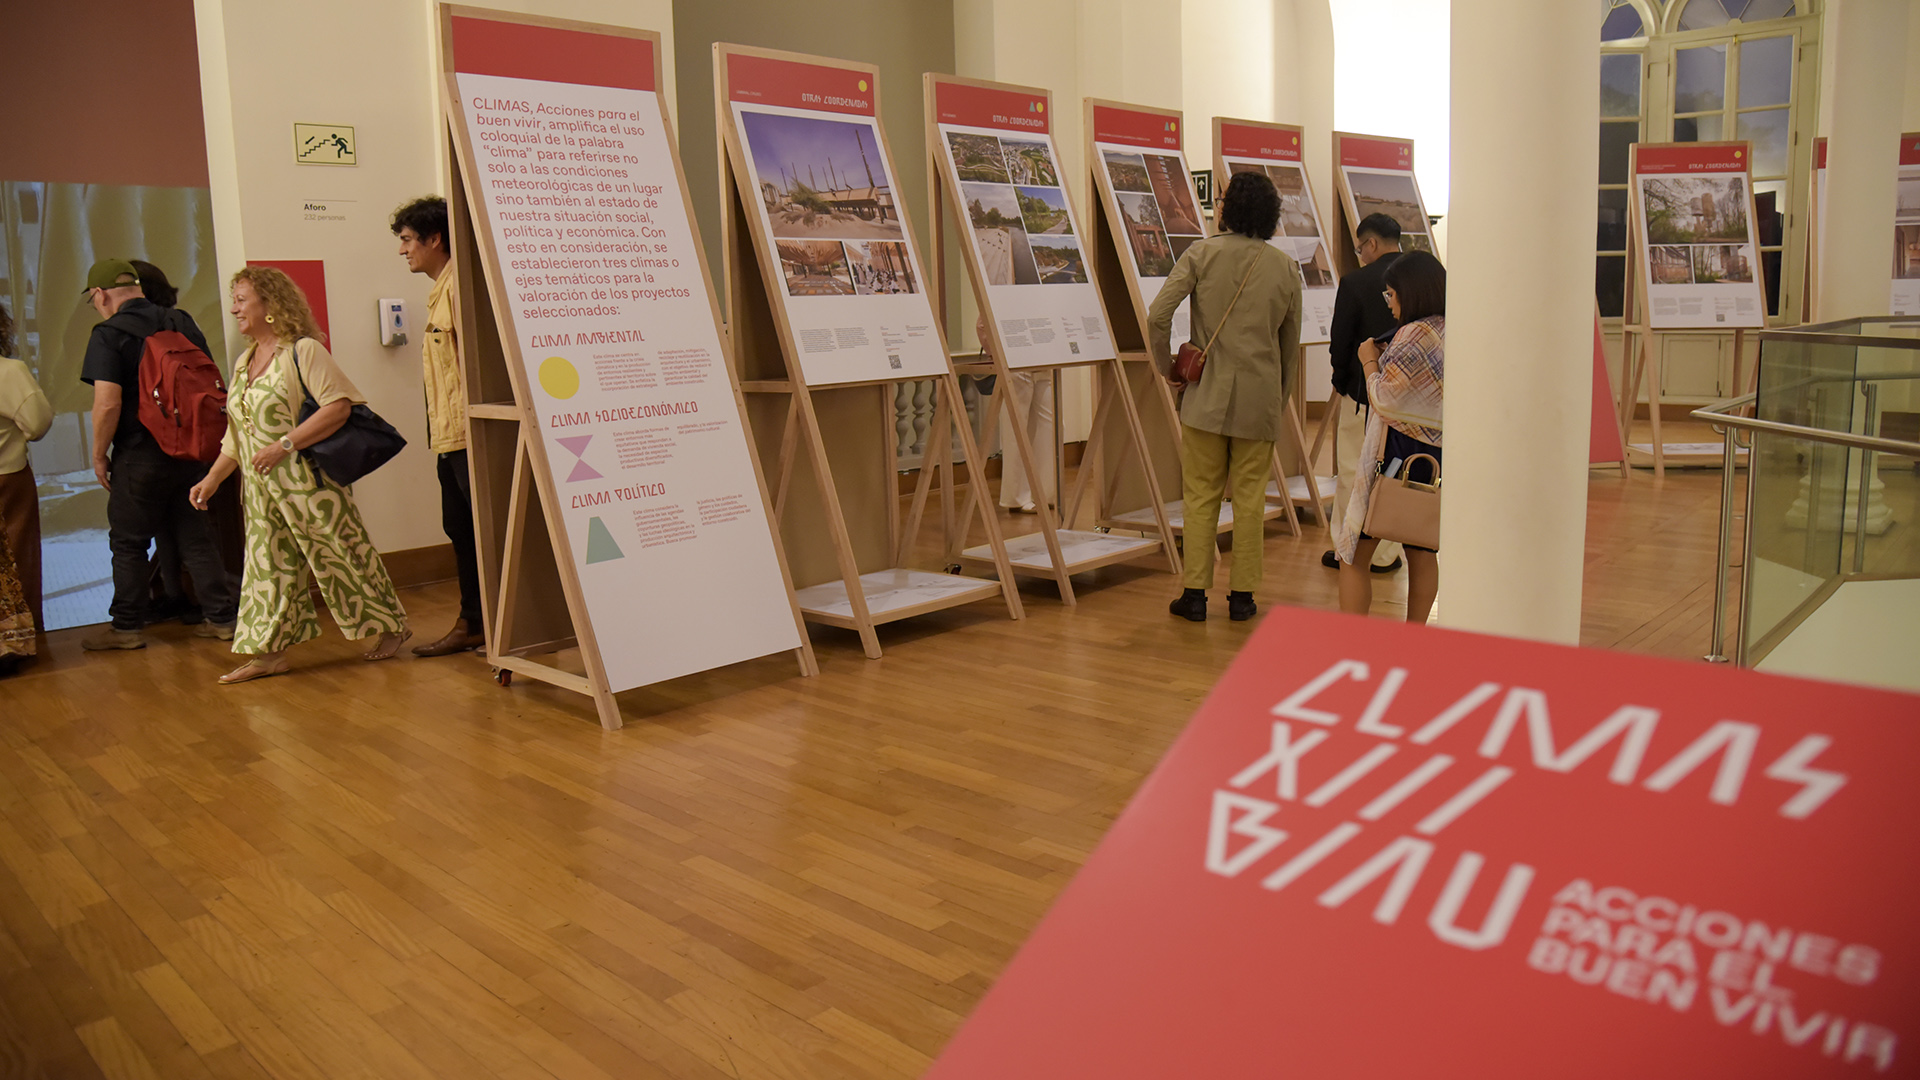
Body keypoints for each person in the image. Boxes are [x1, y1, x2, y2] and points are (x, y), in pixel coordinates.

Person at [188, 266, 411, 683]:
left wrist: (284, 445)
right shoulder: (244, 362)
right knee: (267, 568)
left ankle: (391, 625)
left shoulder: (302, 351)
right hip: (261, 490)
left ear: (270, 304)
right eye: (234, 300)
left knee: (342, 556)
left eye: (241, 299)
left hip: (309, 484)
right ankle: (269, 654)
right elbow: (237, 435)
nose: (234, 309)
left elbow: (338, 407)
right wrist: (213, 478)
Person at [1148, 170, 1301, 623]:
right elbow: (1289, 348)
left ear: (1227, 208)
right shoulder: (1285, 267)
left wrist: (1166, 366)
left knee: (1200, 495)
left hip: (1206, 397)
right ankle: (1243, 598)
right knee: (1250, 499)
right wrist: (1278, 401)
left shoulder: (1201, 253)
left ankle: (1195, 594)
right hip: (1260, 401)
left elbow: (1158, 316)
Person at [77, 258, 238, 649]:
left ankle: (126, 629)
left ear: (100, 295)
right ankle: (221, 619)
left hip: (140, 454)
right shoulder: (181, 321)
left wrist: (99, 455)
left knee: (128, 542)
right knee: (196, 537)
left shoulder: (108, 333)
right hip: (190, 449)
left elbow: (108, 404)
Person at [392, 196, 483, 657]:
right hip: (449, 437)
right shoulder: (440, 292)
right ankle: (475, 621)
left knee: (483, 533)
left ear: (435, 239)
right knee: (460, 529)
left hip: (472, 436)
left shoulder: (461, 289)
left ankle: (498, 623)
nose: (402, 250)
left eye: (408, 240)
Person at [1336, 251, 1445, 624]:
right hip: (1434, 460)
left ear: (1410, 292)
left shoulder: (1412, 335)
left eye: (1391, 294)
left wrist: (1369, 359)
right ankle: (1413, 640)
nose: (1389, 303)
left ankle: (1354, 643)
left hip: (1393, 457)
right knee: (1422, 550)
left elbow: (1383, 398)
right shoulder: (1454, 330)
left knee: (1353, 554)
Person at [1325, 212, 1407, 578]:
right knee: (1396, 471)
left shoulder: (1356, 282)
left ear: (1371, 243)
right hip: (1411, 399)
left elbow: (1341, 341)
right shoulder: (1429, 275)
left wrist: (1341, 380)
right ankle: (1388, 552)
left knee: (1351, 468)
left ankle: (1347, 549)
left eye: (1360, 249)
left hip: (1363, 392)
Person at [130, 260, 202, 626]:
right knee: (191, 529)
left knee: (142, 534)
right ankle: (210, 608)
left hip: (145, 441)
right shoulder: (183, 322)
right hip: (192, 436)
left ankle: (174, 599)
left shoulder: (124, 328)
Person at [0, 301, 52, 666]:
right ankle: (14, 647)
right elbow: (37, 422)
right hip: (6, 479)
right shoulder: (9, 371)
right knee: (16, 559)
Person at [977, 314, 1055, 515]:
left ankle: (1047, 492)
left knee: (1049, 425)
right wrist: (997, 352)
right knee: (1016, 427)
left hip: (1042, 354)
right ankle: (1017, 496)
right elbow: (982, 324)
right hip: (1015, 355)